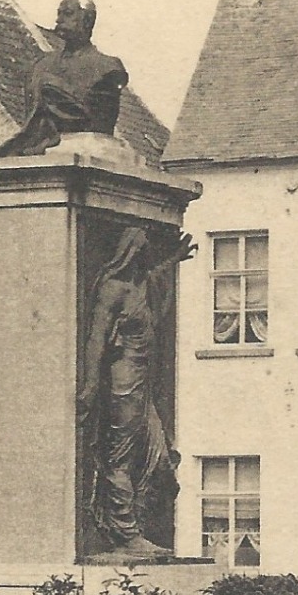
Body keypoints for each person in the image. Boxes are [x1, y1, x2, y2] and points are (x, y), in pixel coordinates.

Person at [78, 227, 196, 558]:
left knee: (159, 456)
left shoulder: (140, 288)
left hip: (143, 382)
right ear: (128, 254)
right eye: (140, 252)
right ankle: (124, 532)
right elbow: (96, 339)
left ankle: (135, 528)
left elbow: (156, 287)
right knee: (120, 455)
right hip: (122, 379)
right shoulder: (113, 290)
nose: (143, 259)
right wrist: (89, 385)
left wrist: (173, 261)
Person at [0, 0, 130, 158]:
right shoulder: (41, 66)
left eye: (68, 14)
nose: (59, 20)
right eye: (59, 14)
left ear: (88, 20)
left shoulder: (108, 67)